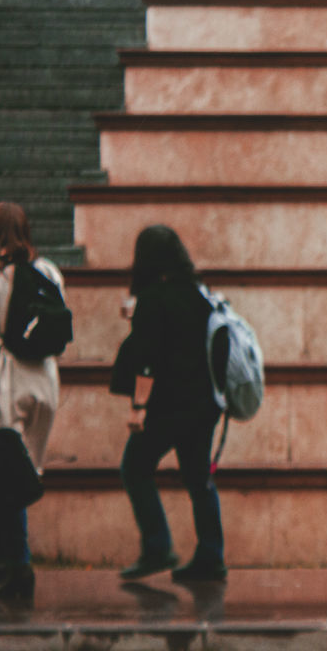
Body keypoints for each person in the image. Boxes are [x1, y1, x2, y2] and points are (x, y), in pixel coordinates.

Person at [113, 224, 227, 583]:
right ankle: (211, 555)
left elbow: (148, 360)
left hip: (168, 407)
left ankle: (157, 546)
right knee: (198, 480)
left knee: (135, 467)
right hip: (203, 406)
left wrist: (138, 407)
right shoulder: (198, 294)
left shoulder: (152, 298)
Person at [0, 202, 63, 602]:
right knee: (25, 469)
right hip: (46, 381)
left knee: (5, 477)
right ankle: (10, 562)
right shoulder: (49, 271)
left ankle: (14, 568)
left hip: (6, 380)